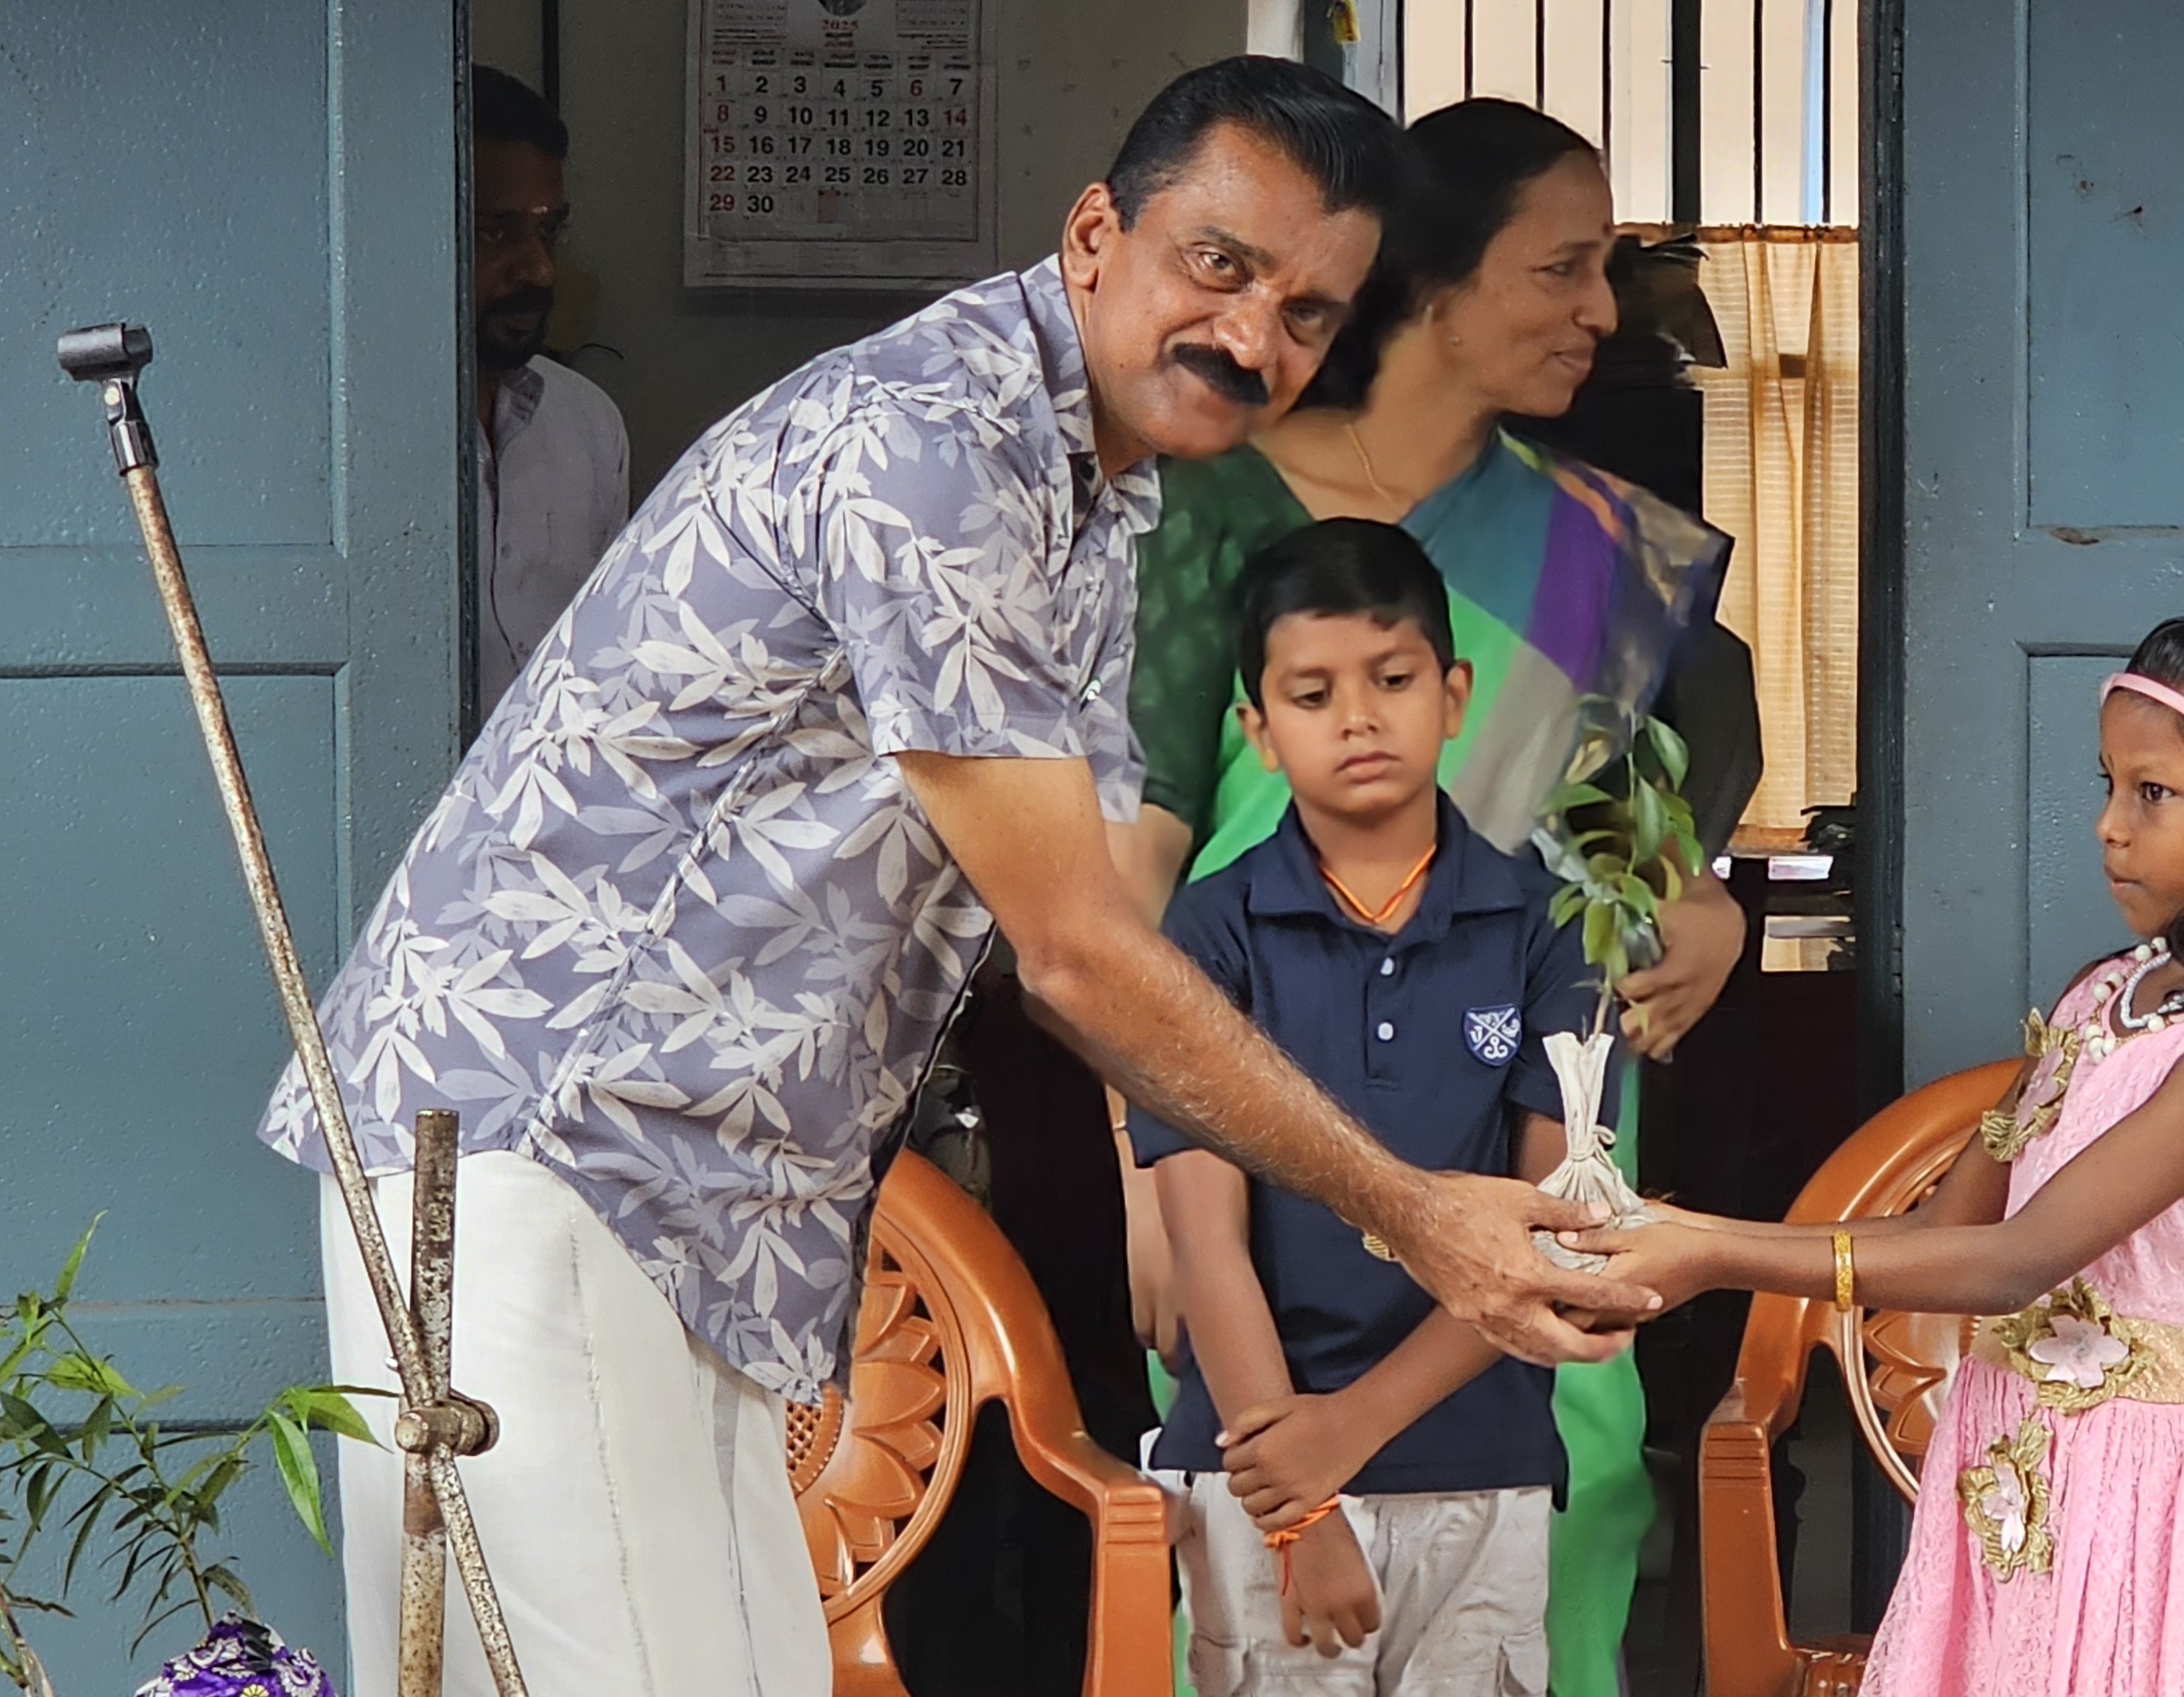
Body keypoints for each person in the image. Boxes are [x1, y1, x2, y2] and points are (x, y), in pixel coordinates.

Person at [261, 60, 1651, 1697]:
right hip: (544, 1134)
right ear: (1095, 234)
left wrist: (1195, 1162)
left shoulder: (1101, 493)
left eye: (1306, 312)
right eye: (1218, 264)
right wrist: (1414, 1212)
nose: (1252, 335)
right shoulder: (939, 445)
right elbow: (1076, 950)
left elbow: (1089, 920)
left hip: (701, 1193)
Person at [1120, 96, 1755, 1692]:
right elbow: (1131, 872)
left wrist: (1705, 902)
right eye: (1560, 269)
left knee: (1569, 1500)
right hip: (1254, 1115)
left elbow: (1634, 811)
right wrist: (1144, 1178)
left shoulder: (1604, 545)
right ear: (1432, 277)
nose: (1602, 311)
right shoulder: (1208, 508)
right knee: (1270, 1536)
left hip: (1536, 1118)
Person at [1585, 612, 2184, 1697]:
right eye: (2108, 784)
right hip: (2016, 1464)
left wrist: (1709, 1248)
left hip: (2163, 1499)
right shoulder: (2102, 994)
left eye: (2152, 792)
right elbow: (1945, 1229)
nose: (2109, 825)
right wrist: (1687, 1235)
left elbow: (2019, 1258)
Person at [1135, 520, 1586, 1692]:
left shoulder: (1547, 932)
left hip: (1480, 1457)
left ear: (1454, 694)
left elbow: (1545, 1235)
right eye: (1312, 693)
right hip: (1255, 1461)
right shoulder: (1209, 933)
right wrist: (1299, 1506)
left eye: (1392, 680)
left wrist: (1352, 1432)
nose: (1357, 719)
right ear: (1258, 730)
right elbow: (1206, 1245)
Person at [467, 65, 628, 722]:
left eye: (547, 231)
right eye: (495, 233)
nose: (537, 268)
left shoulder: (586, 422)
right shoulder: (348, 437)